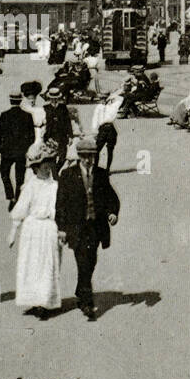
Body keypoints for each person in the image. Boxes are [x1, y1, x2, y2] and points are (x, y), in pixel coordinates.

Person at [54, 135, 118, 322]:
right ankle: (87, 302)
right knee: (83, 261)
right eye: (84, 156)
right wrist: (62, 228)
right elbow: (61, 204)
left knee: (91, 261)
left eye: (92, 156)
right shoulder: (67, 176)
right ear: (79, 157)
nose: (88, 160)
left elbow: (111, 197)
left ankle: (80, 291)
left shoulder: (100, 174)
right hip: (76, 228)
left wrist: (113, 212)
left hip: (96, 227)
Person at [8, 142, 63, 320]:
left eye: (49, 163)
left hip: (48, 228)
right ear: (35, 166)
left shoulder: (55, 186)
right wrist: (13, 231)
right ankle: (33, 300)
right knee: (31, 264)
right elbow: (21, 209)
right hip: (31, 229)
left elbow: (60, 210)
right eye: (43, 164)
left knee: (47, 264)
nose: (47, 167)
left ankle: (45, 301)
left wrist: (62, 230)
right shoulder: (30, 186)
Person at [0, 91, 34, 210]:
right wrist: (26, 148)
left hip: (7, 151)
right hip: (21, 152)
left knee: (4, 173)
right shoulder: (27, 116)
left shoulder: (4, 115)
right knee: (20, 177)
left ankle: (10, 196)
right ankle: (17, 198)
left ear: (10, 100)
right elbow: (32, 136)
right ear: (20, 100)